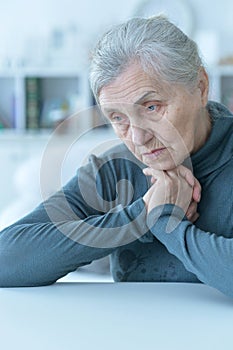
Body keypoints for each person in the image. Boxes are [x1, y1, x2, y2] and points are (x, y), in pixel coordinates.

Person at [0, 15, 233, 298]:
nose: (137, 138)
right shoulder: (115, 169)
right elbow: (6, 259)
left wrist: (166, 223)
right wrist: (138, 217)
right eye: (118, 118)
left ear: (201, 87)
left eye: (151, 107)